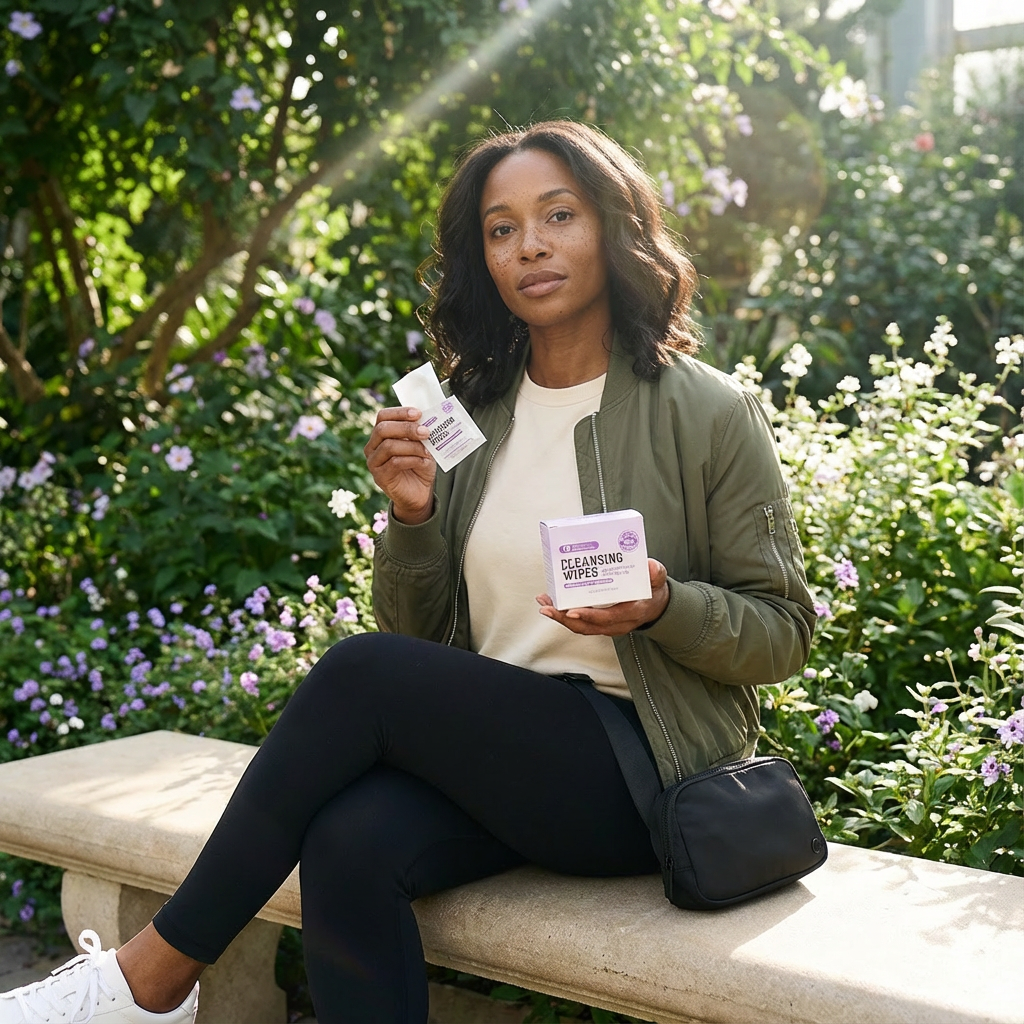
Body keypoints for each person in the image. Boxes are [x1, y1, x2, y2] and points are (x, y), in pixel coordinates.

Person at [0, 120, 815, 1024]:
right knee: (349, 841)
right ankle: (148, 988)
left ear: (614, 228)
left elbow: (783, 633)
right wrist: (413, 517)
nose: (530, 245)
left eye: (558, 215)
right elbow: (417, 641)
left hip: (644, 776)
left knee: (361, 670)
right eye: (501, 229)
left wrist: (662, 606)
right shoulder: (468, 417)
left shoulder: (709, 411)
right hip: (501, 765)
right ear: (483, 260)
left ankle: (150, 981)